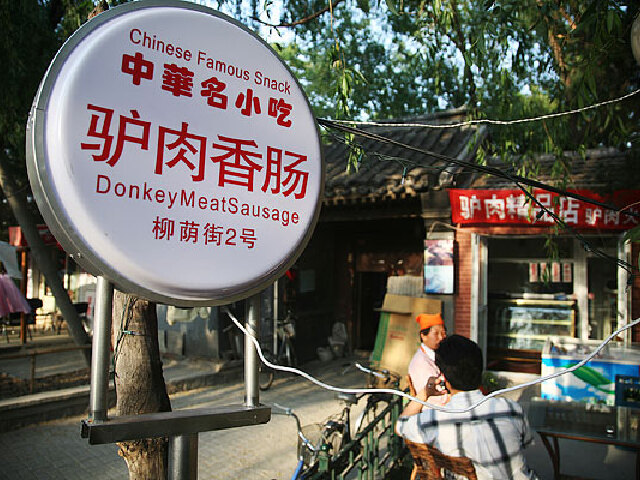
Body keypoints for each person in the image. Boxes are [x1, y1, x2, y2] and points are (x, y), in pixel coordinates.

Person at [396, 335, 538, 480]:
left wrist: (424, 393)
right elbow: (526, 442)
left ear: (444, 378)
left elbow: (401, 426)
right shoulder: (513, 410)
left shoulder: (436, 420)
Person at [407, 312, 448, 406]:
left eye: (443, 333)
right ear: (423, 336)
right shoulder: (420, 362)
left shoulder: (439, 354)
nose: (441, 338)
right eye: (436, 334)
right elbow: (433, 399)